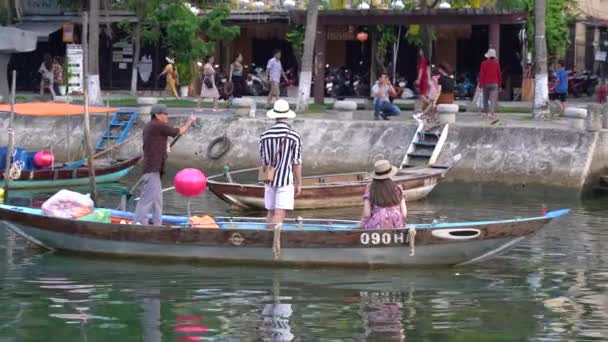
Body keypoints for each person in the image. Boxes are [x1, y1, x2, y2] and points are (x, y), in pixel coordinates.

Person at [133, 104, 197, 225]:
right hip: (152, 168)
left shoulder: (152, 126)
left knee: (158, 202)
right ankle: (139, 224)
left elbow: (156, 142)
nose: (167, 116)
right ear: (157, 115)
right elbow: (179, 131)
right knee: (147, 200)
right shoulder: (157, 125)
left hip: (155, 168)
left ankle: (157, 224)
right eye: (164, 114)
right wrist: (190, 121)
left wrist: (164, 147)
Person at [259, 99, 302, 227]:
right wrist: (299, 183)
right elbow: (297, 162)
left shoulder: (264, 136)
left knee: (271, 212)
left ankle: (266, 237)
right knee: (280, 213)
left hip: (268, 178)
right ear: (287, 115)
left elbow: (263, 159)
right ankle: (272, 240)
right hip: (285, 180)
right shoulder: (294, 136)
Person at [360, 160, 407, 229]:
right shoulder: (398, 189)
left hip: (377, 225)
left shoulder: (370, 190)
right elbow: (404, 214)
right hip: (397, 224)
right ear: (390, 174)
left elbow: (367, 214)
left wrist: (362, 223)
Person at [478, 48, 502, 124]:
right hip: (494, 83)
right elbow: (499, 75)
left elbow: (482, 75)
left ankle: (485, 112)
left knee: (485, 98)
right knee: (493, 99)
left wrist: (480, 84)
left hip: (485, 83)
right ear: (494, 56)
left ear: (488, 56)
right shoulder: (497, 64)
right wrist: (500, 85)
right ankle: (491, 113)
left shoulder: (483, 63)